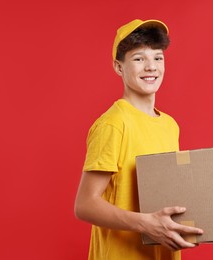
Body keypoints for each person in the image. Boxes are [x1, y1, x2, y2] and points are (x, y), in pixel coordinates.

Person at [74, 19, 203, 260]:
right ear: (118, 67)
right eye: (138, 59)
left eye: (158, 57)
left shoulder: (169, 125)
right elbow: (85, 204)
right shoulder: (113, 124)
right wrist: (146, 224)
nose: (151, 67)